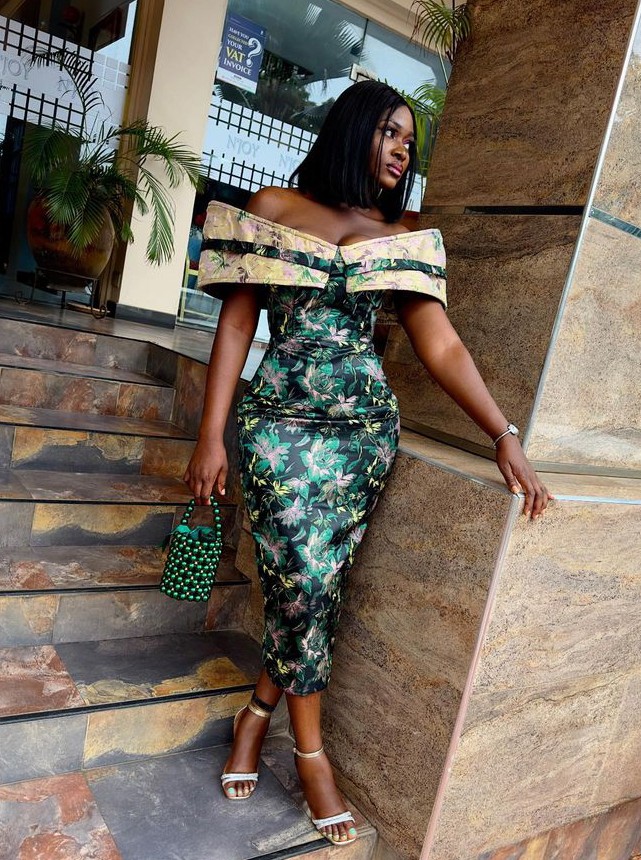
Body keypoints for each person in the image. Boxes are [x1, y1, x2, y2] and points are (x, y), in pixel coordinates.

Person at [184, 80, 552, 847]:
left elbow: (440, 344)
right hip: (277, 428)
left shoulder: (402, 235)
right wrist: (211, 435)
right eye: (390, 133)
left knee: (313, 588)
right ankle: (311, 757)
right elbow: (237, 326)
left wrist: (502, 432)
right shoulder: (274, 208)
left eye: (409, 142)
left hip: (361, 439)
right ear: (354, 130)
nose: (401, 151)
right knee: (304, 580)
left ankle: (256, 716)